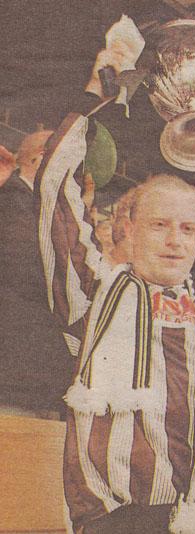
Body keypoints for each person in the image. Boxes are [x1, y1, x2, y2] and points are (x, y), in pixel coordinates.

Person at [31, 62, 195, 532]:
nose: (175, 240)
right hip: (127, 519)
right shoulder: (92, 291)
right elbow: (53, 194)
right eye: (159, 224)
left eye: (187, 228)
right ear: (128, 229)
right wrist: (93, 98)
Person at [0, 130, 74, 418]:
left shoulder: (43, 207)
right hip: (17, 367)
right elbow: (33, 272)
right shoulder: (11, 197)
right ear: (42, 157)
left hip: (39, 371)